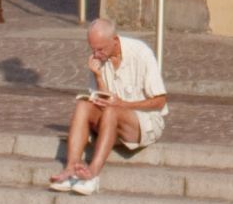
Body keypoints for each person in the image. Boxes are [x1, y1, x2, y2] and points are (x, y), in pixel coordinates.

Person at [48, 18, 169, 194]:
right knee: (83, 104)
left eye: (100, 49)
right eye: (93, 49)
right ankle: (71, 167)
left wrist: (124, 104)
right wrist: (97, 76)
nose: (96, 54)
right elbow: (103, 100)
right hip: (112, 120)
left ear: (114, 40)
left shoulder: (141, 53)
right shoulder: (98, 60)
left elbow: (160, 101)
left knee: (112, 111)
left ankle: (93, 173)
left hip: (144, 121)